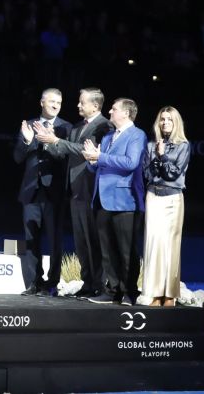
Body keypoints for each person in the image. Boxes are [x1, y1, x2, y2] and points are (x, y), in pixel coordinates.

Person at [37, 88, 112, 299]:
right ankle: (87, 283)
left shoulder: (104, 126)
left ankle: (100, 284)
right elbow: (62, 152)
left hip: (90, 190)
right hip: (75, 191)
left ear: (95, 106)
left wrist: (57, 141)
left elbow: (87, 150)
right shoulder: (78, 126)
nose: (78, 106)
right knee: (81, 241)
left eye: (82, 102)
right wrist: (46, 141)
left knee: (93, 240)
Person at [82, 98, 147, 306]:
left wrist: (99, 157)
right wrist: (91, 160)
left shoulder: (137, 135)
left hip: (125, 201)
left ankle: (130, 292)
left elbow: (131, 163)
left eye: (114, 108)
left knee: (126, 250)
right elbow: (99, 167)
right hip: (102, 198)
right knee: (107, 250)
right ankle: (112, 291)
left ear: (126, 113)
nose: (110, 111)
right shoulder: (109, 136)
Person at [12, 88, 71, 296]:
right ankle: (34, 283)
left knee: (55, 240)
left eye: (59, 102)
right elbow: (18, 157)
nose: (55, 105)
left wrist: (50, 142)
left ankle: (52, 283)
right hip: (30, 191)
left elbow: (66, 158)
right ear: (41, 102)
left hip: (54, 192)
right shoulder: (27, 125)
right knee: (31, 240)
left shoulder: (66, 127)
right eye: (52, 101)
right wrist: (28, 141)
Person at [142, 106, 190, 307]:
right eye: (162, 119)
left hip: (172, 199)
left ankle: (169, 294)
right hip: (153, 196)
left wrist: (161, 157)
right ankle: (154, 294)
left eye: (169, 119)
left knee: (170, 246)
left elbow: (173, 174)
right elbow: (147, 174)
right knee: (153, 245)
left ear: (176, 122)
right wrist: (156, 160)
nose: (165, 123)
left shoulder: (183, 145)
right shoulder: (151, 145)